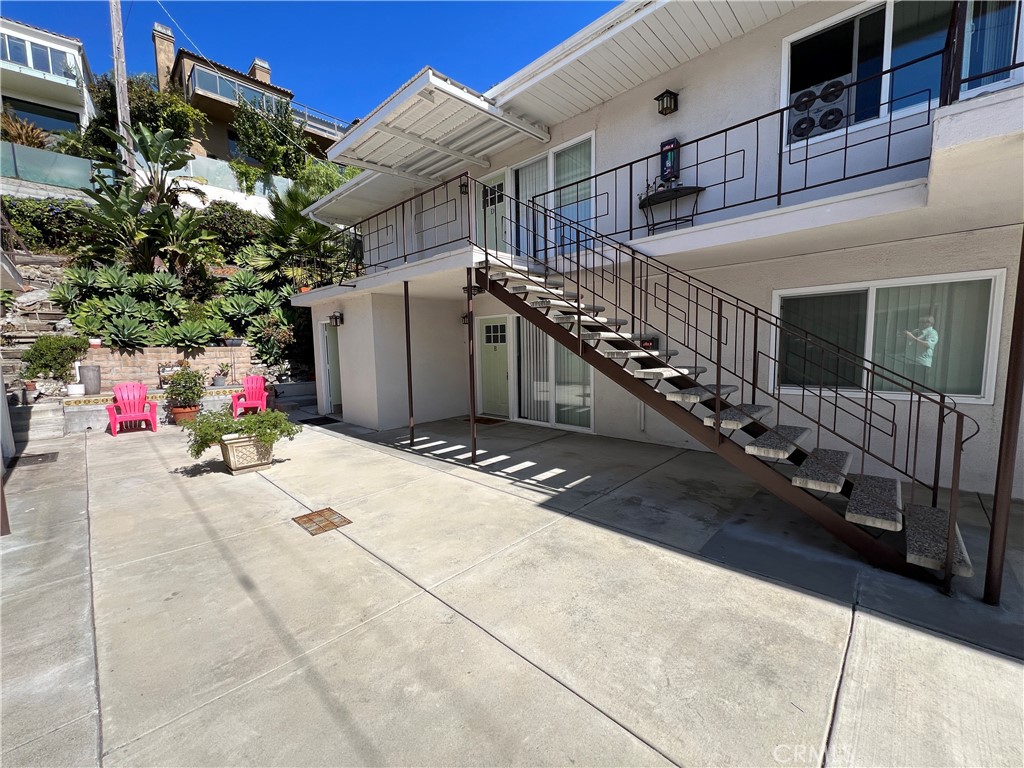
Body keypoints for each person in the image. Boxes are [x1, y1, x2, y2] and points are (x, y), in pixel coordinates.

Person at [904, 316, 938, 384]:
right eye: (920, 322)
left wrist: (913, 337)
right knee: (910, 384)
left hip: (921, 363)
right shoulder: (916, 331)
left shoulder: (932, 332)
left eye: (923, 322)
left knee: (919, 384)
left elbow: (928, 344)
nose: (920, 324)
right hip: (911, 361)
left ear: (929, 323)